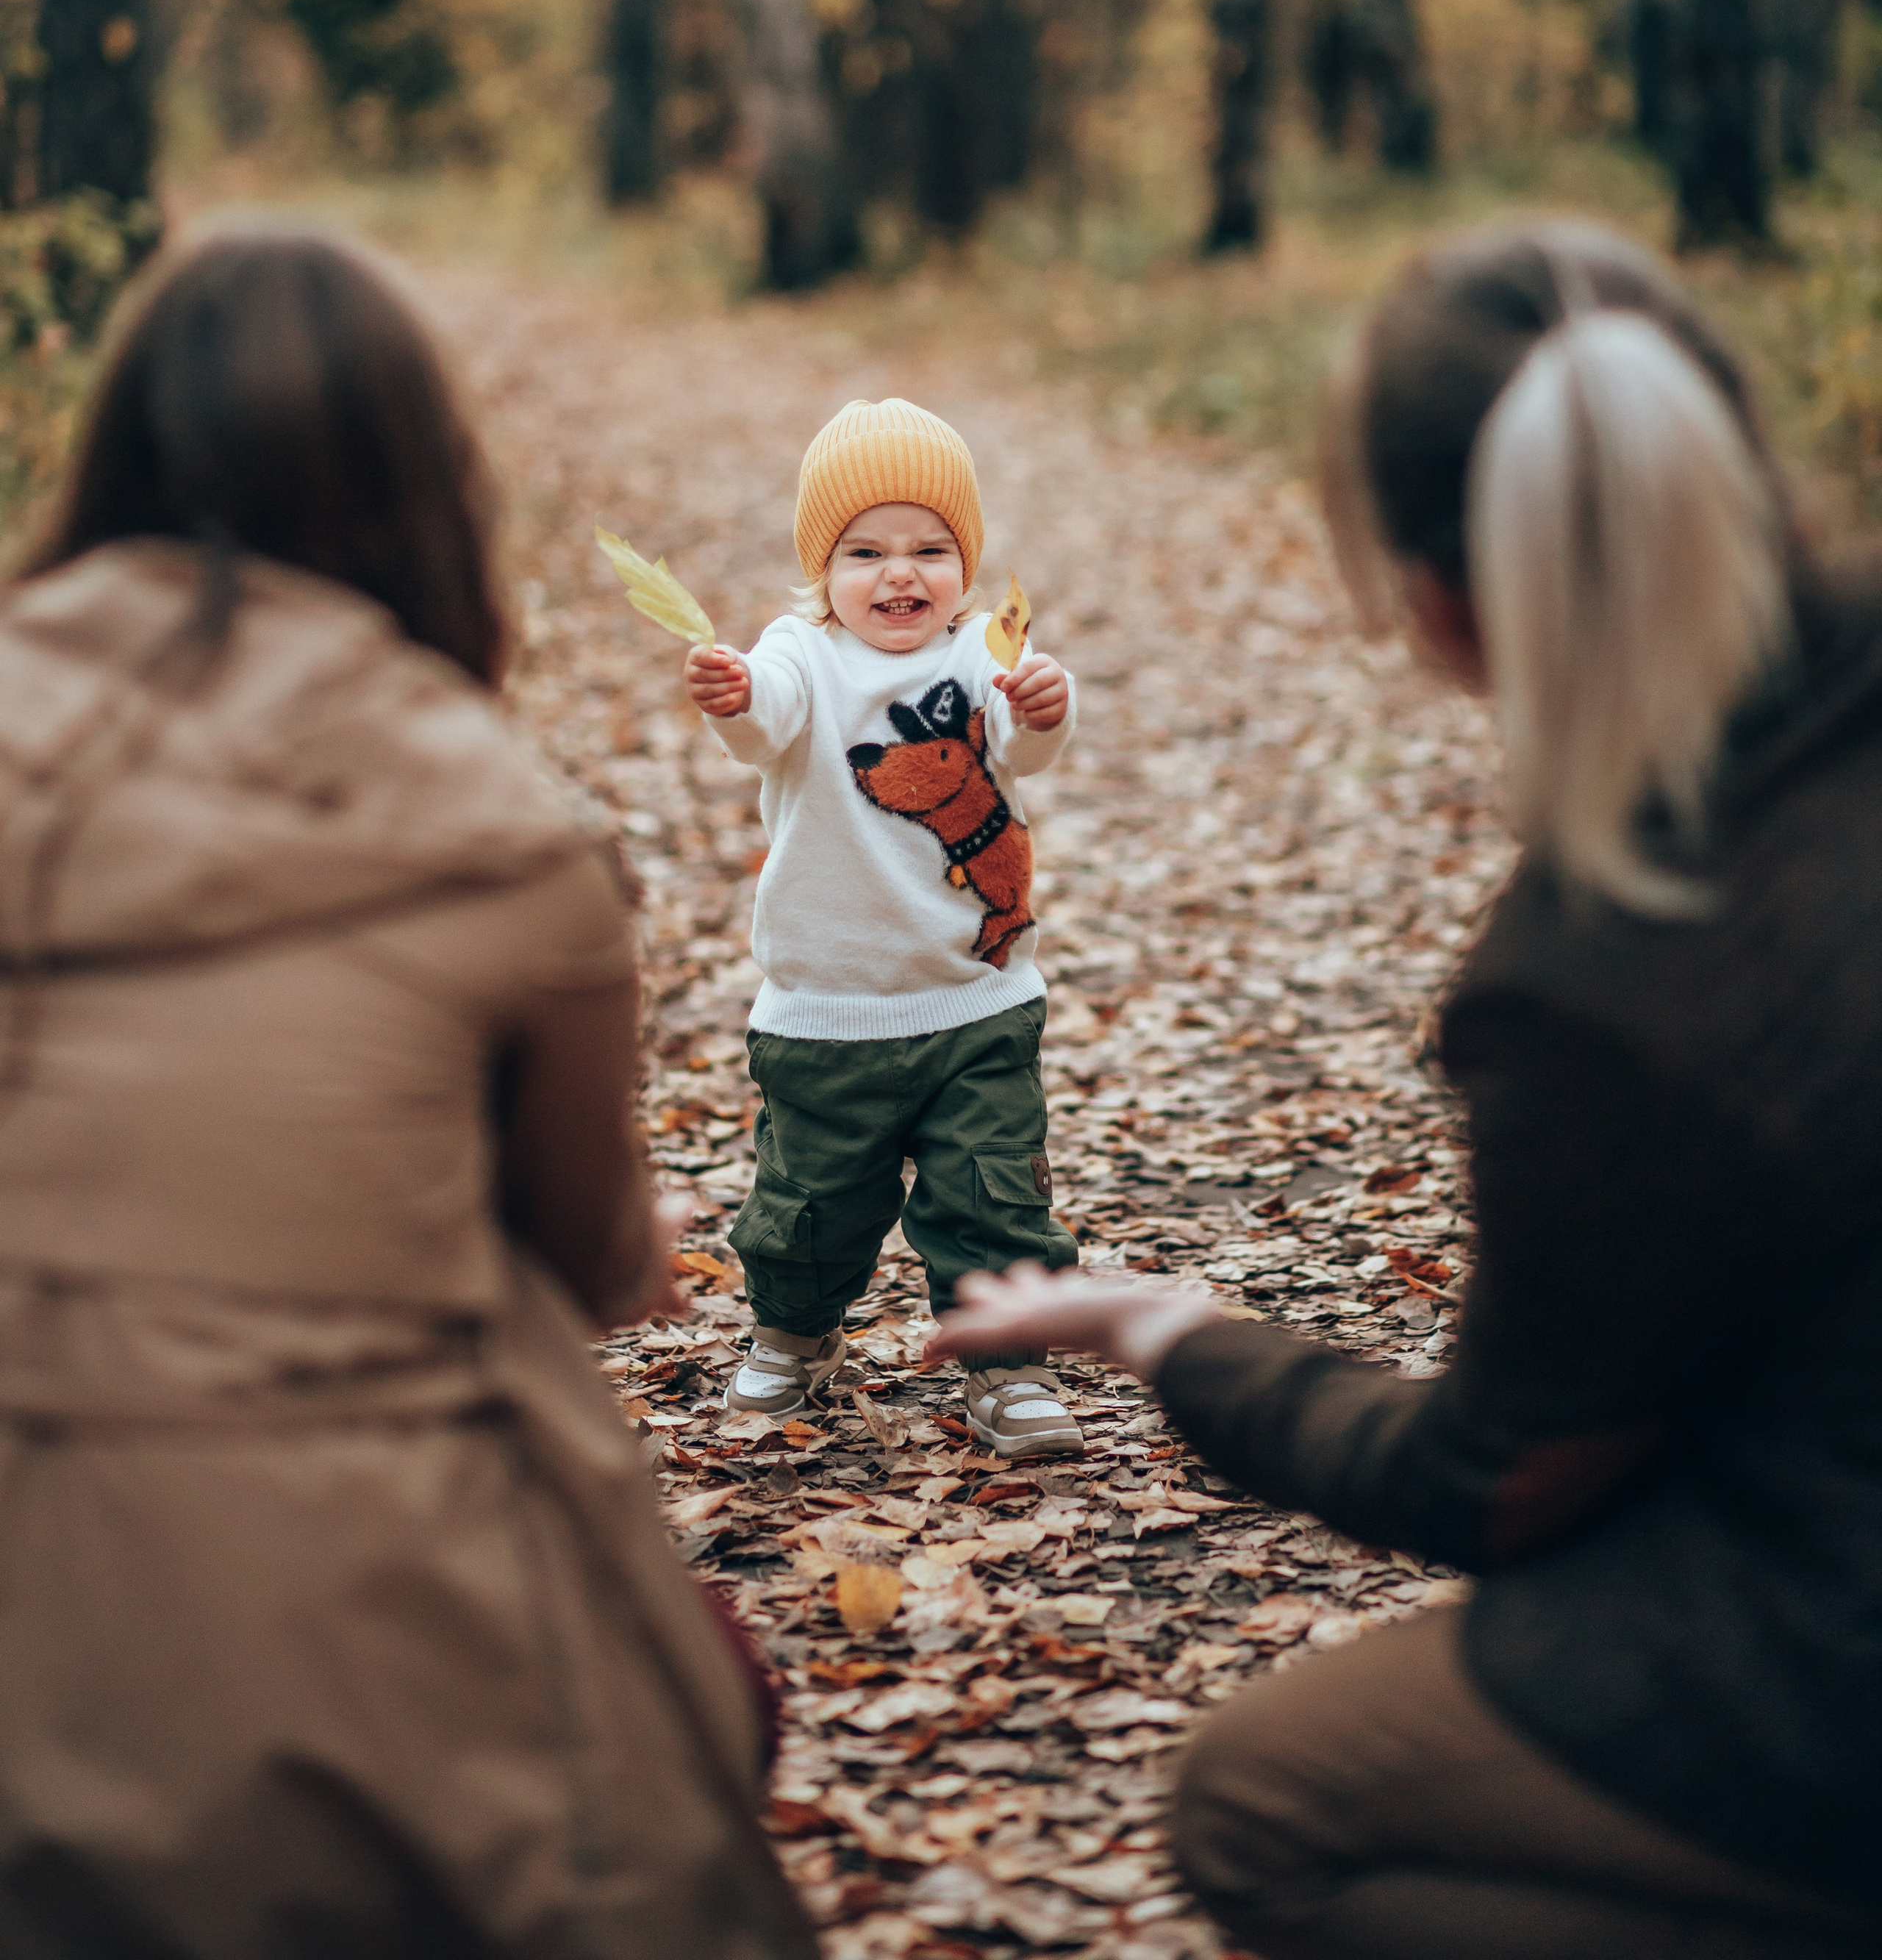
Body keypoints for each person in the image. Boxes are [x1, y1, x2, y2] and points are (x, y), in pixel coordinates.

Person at [929, 221, 1882, 1956]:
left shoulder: (1607, 975)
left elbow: (1505, 1480)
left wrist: (1177, 1338)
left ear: (1439, 600)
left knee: (1267, 1798)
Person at [0, 224, 815, 1960]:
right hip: (368, 1620)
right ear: (425, 495)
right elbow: (593, 1268)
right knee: (710, 1714)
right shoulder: (501, 836)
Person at [683, 396, 1082, 1457]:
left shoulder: (976, 653)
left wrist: (1043, 701)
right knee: (810, 1198)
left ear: (966, 561)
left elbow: (1018, 743)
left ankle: (1008, 1356)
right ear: (822, 570)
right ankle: (794, 1333)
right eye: (865, 551)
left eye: (930, 549)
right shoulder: (801, 656)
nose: (899, 573)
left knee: (992, 1189)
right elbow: (763, 716)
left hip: (975, 997)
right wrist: (731, 694)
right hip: (827, 1008)